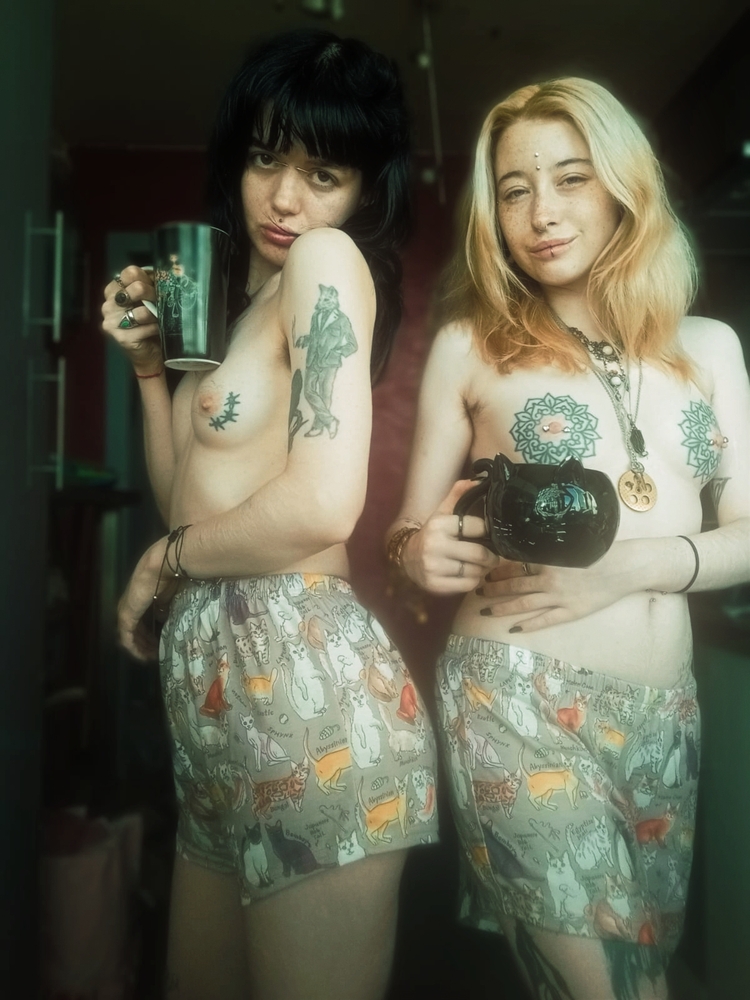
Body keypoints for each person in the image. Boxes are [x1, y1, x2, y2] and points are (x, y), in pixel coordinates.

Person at [387, 77, 750, 1000]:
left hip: (666, 716)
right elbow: (406, 532)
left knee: (636, 969)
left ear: (623, 186)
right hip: (512, 697)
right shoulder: (471, 343)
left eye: (570, 178)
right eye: (514, 190)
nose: (541, 213)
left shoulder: (710, 348)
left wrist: (629, 568)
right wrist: (415, 552)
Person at [101, 29, 439, 1000]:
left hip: (307, 697)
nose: (285, 198)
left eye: (322, 173)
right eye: (264, 160)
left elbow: (324, 502)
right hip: (215, 705)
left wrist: (160, 561)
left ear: (364, 191)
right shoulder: (240, 304)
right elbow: (189, 499)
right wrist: (149, 371)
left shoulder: (327, 261)